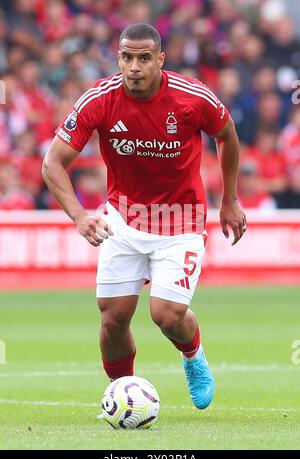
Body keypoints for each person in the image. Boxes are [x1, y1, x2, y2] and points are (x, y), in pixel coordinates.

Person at [42, 23, 246, 411]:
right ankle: (125, 397)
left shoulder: (191, 97)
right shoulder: (98, 100)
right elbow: (52, 162)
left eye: (144, 58)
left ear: (160, 60)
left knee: (167, 315)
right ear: (118, 57)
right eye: (127, 57)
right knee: (112, 319)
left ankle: (193, 357)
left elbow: (227, 135)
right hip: (124, 219)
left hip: (181, 220)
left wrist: (230, 200)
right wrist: (80, 216)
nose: (134, 67)